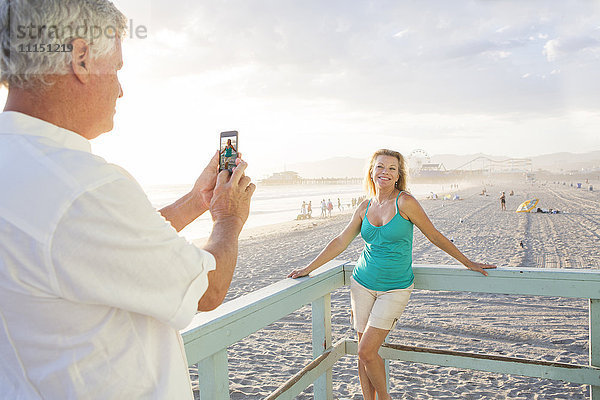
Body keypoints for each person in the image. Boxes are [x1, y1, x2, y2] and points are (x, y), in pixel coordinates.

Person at [0, 1, 255, 399]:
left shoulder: (26, 169)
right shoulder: (85, 187)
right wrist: (228, 218)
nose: (120, 88)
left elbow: (101, 249)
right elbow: (208, 288)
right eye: (116, 67)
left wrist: (193, 202)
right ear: (81, 58)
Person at [288, 149, 495, 400]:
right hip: (361, 284)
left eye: (391, 169)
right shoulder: (365, 206)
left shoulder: (405, 202)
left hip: (395, 288)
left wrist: (468, 262)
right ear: (371, 172)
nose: (385, 172)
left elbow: (434, 235)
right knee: (362, 352)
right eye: (380, 167)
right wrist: (308, 268)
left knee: (366, 351)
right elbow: (341, 240)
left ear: (398, 175)